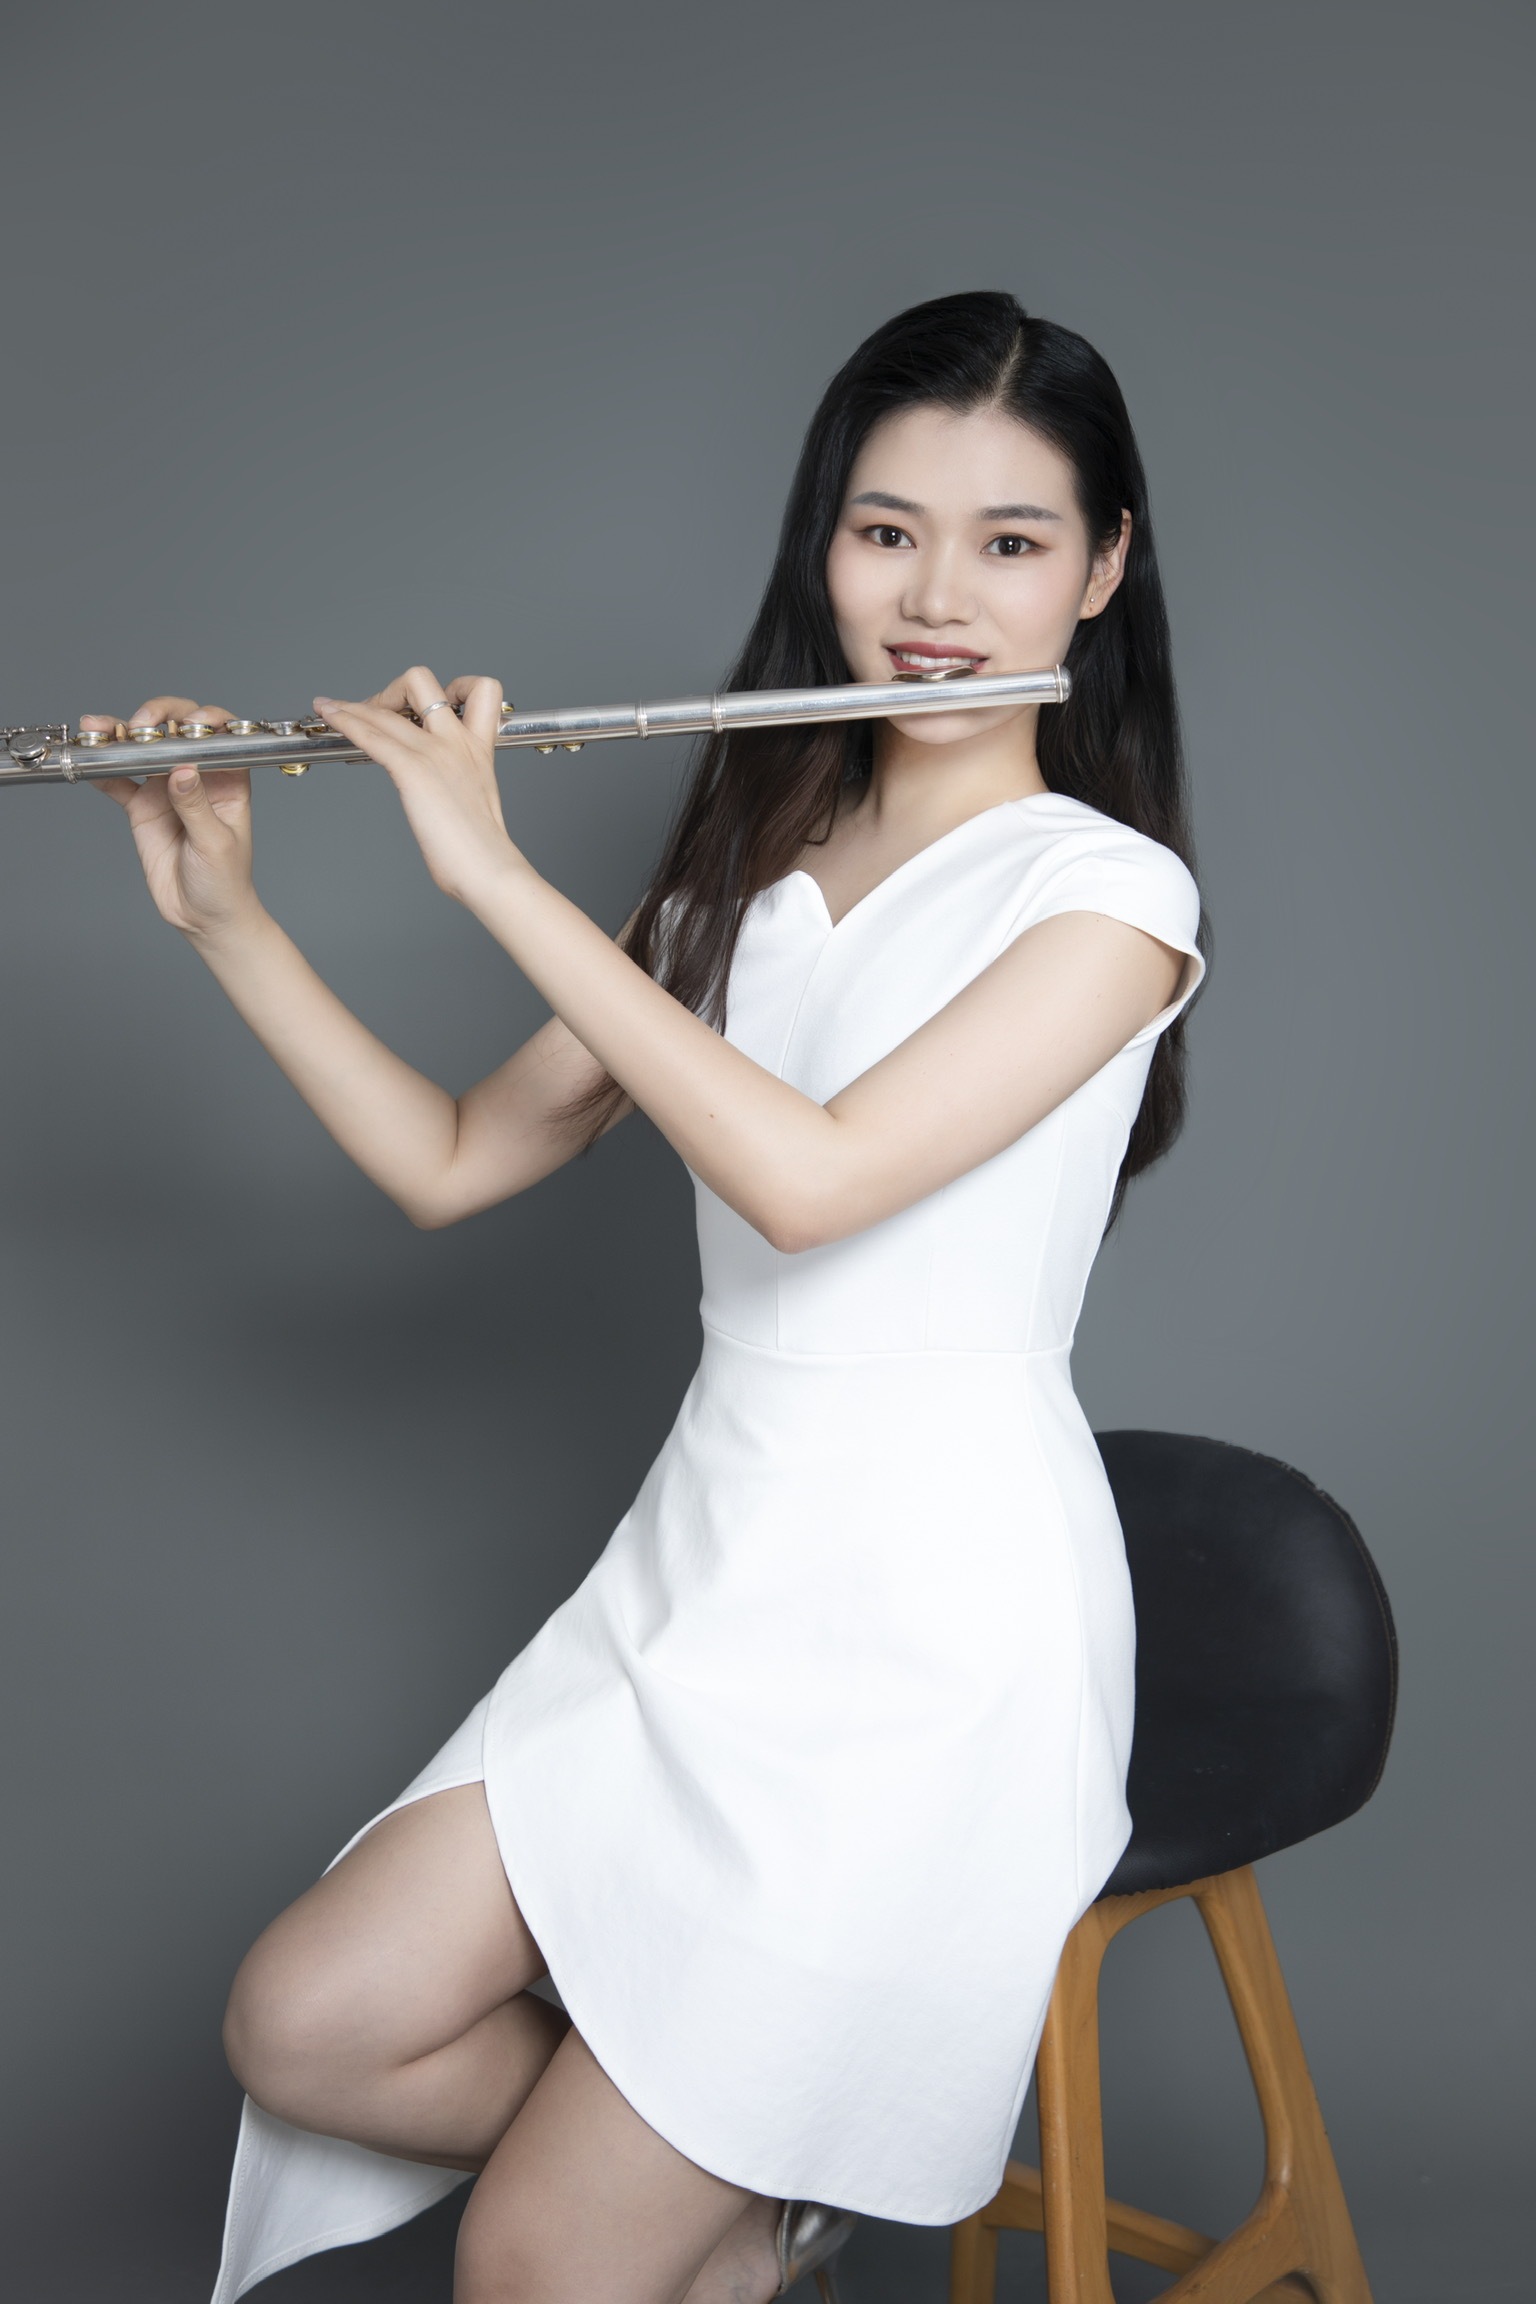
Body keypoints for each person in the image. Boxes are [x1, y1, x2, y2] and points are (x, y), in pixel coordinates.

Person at [90, 291, 1205, 2304]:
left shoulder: (1108, 899)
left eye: (1011, 541)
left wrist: (494, 875)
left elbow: (811, 1178)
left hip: (934, 1638)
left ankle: (705, 2195)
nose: (936, 599)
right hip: (704, 1573)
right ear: (824, 541)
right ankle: (748, 2196)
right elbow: (450, 1160)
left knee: (532, 2266)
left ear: (1103, 568)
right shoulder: (742, 865)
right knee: (311, 2024)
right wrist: (227, 916)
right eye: (886, 531)